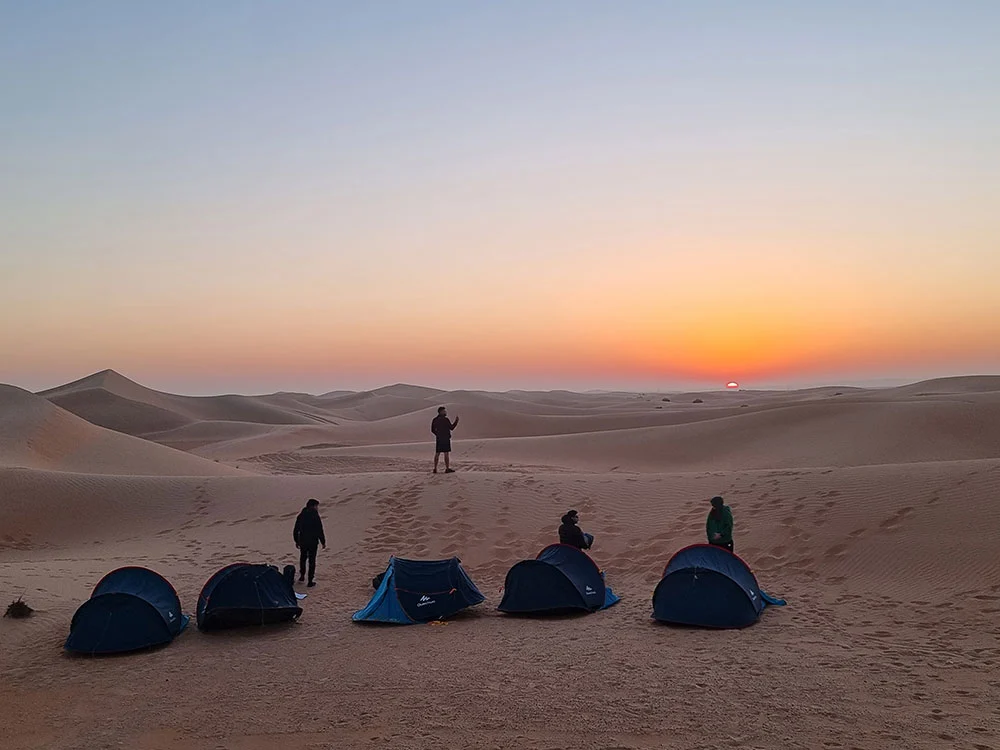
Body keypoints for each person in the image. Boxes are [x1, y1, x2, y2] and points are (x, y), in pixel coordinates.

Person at [293, 498, 326, 587]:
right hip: (312, 541)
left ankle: (302, 576)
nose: (317, 508)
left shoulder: (301, 515)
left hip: (303, 540)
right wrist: (323, 541)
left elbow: (296, 529)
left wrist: (296, 540)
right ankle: (310, 581)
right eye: (316, 506)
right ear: (313, 506)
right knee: (312, 560)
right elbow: (319, 529)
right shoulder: (315, 515)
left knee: (303, 558)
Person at [431, 406, 460, 474]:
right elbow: (451, 428)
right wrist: (456, 421)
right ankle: (447, 468)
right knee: (446, 453)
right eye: (444, 411)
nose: (445, 412)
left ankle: (435, 468)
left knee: (437, 453)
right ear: (441, 412)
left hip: (439, 439)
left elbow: (432, 430)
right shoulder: (445, 419)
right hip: (445, 438)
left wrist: (437, 434)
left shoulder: (434, 419)